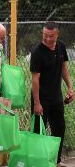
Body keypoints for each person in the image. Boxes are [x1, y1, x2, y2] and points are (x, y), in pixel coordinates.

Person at [30, 21, 74, 167]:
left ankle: (56, 160)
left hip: (56, 97)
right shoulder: (37, 52)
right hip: (41, 98)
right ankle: (38, 162)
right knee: (38, 131)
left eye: (51, 36)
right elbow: (35, 80)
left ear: (57, 34)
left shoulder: (61, 46)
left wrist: (69, 87)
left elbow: (64, 68)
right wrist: (37, 103)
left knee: (59, 128)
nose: (47, 39)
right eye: (45, 35)